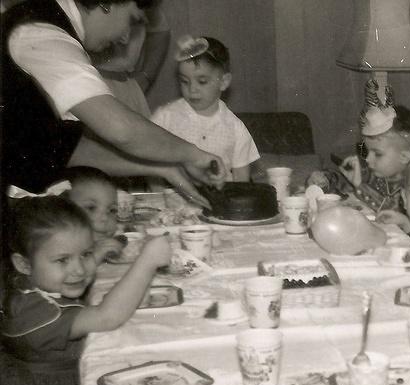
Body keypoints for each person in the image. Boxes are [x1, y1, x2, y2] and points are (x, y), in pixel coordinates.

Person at [1, 0, 226, 208]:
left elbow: (63, 150)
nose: (125, 38)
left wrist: (162, 167)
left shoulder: (49, 27)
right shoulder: (42, 35)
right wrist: (193, 154)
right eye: (131, 20)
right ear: (107, 3)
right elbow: (121, 129)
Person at [0, 195, 171, 385]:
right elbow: (107, 317)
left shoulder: (31, 281)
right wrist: (147, 262)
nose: (79, 270)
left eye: (85, 254)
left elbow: (69, 275)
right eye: (63, 260)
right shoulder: (36, 314)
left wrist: (96, 256)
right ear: (23, 264)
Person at [151, 34, 260, 182]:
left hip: (220, 200)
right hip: (175, 199)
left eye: (202, 82)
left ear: (224, 82)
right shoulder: (165, 117)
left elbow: (241, 178)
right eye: (184, 81)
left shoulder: (235, 128)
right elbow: (150, 163)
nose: (192, 89)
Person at [307, 104, 410, 213]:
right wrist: (325, 179)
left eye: (377, 154)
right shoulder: (376, 175)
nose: (368, 159)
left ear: (404, 156)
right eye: (368, 151)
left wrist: (360, 186)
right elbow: (343, 180)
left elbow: (394, 212)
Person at [63, 166, 126, 264]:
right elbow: (67, 275)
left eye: (112, 210)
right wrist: (95, 257)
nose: (105, 218)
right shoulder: (55, 245)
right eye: (91, 208)